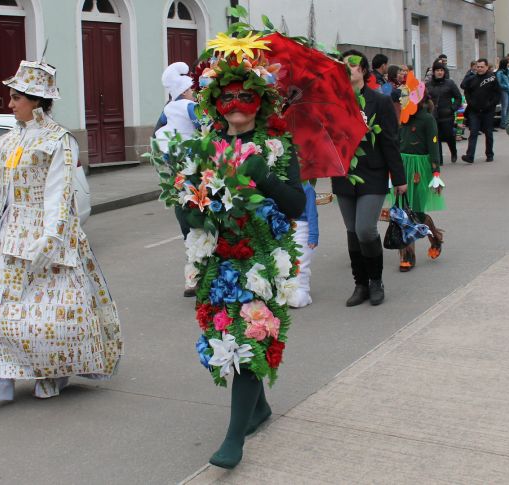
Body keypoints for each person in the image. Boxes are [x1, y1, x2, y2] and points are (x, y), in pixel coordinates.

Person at [166, 32, 306, 470]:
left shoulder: (277, 147)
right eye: (229, 96)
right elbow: (188, 204)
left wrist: (266, 178)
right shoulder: (203, 149)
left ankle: (234, 440)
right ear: (214, 103)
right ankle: (258, 409)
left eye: (247, 95)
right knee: (226, 339)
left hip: (261, 259)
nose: (238, 103)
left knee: (248, 337)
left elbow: (298, 205)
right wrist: (193, 215)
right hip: (217, 259)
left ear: (261, 101)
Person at [0, 60, 123, 401]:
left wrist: (51, 237)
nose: (10, 105)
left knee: (51, 313)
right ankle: (3, 373)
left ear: (35, 100)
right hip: (11, 234)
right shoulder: (5, 143)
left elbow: (59, 191)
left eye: (15, 98)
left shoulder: (59, 142)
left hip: (49, 238)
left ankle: (54, 371)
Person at [333, 50, 407, 306]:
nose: (348, 69)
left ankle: (376, 281)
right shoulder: (333, 102)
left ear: (363, 69)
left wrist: (399, 178)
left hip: (373, 174)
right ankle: (360, 285)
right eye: (343, 66)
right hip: (344, 175)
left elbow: (390, 141)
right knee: (352, 231)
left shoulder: (380, 101)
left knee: (365, 229)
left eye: (352, 65)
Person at [153, 61, 201, 296]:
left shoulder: (168, 109)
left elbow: (157, 132)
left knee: (186, 224)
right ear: (184, 89)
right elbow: (204, 127)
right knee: (203, 222)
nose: (193, 92)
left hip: (176, 173)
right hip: (196, 168)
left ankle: (192, 279)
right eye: (191, 88)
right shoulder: (190, 106)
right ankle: (204, 275)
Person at [396, 84, 446, 272]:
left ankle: (435, 237)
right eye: (401, 96)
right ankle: (407, 255)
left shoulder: (427, 119)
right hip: (402, 167)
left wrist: (435, 173)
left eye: (405, 95)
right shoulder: (402, 119)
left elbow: (434, 146)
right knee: (401, 212)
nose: (401, 99)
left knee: (416, 213)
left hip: (419, 170)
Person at [460, 58, 501, 163]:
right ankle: (470, 156)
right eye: (478, 67)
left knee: (488, 133)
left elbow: (497, 94)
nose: (480, 69)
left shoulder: (492, 78)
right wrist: (470, 103)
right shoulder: (472, 79)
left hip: (488, 111)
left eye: (482, 67)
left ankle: (489, 154)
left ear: (487, 67)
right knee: (473, 132)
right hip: (474, 111)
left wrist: (491, 104)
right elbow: (466, 90)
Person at [288, 180, 319, 308]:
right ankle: (292, 290)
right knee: (289, 262)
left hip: (303, 228)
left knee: (301, 262)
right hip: (287, 227)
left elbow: (312, 214)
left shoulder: (307, 188)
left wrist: (313, 235)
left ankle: (303, 293)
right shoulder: (284, 184)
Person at [426, 62, 462, 163]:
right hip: (433, 115)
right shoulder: (428, 85)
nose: (439, 72)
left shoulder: (449, 83)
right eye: (437, 70)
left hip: (447, 115)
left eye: (441, 70)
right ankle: (439, 159)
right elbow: (424, 99)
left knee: (448, 136)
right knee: (436, 137)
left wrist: (452, 108)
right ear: (433, 72)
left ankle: (453, 151)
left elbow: (458, 97)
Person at [496, 59, 509, 129]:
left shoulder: (507, 71)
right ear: (504, 64)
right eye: (507, 63)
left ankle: (507, 122)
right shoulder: (499, 73)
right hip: (504, 91)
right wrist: (506, 87)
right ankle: (503, 123)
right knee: (504, 107)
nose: (508, 64)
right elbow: (499, 83)